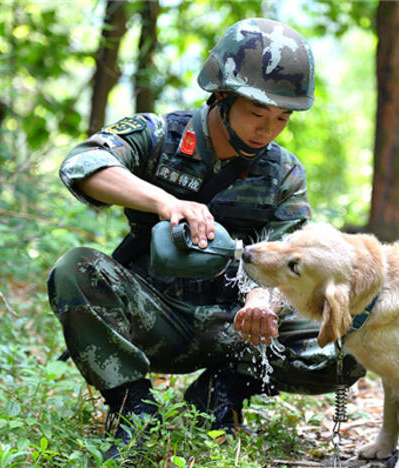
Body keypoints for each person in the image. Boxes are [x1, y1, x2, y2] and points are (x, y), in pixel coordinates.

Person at [47, 17, 365, 461]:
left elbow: (291, 252)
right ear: (221, 96)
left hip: (238, 325)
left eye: (282, 118)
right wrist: (164, 202)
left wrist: (262, 302)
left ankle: (223, 390)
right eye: (257, 113)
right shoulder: (158, 136)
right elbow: (80, 164)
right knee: (74, 269)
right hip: (156, 316)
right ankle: (132, 408)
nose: (267, 129)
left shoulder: (284, 173)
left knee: (354, 341)